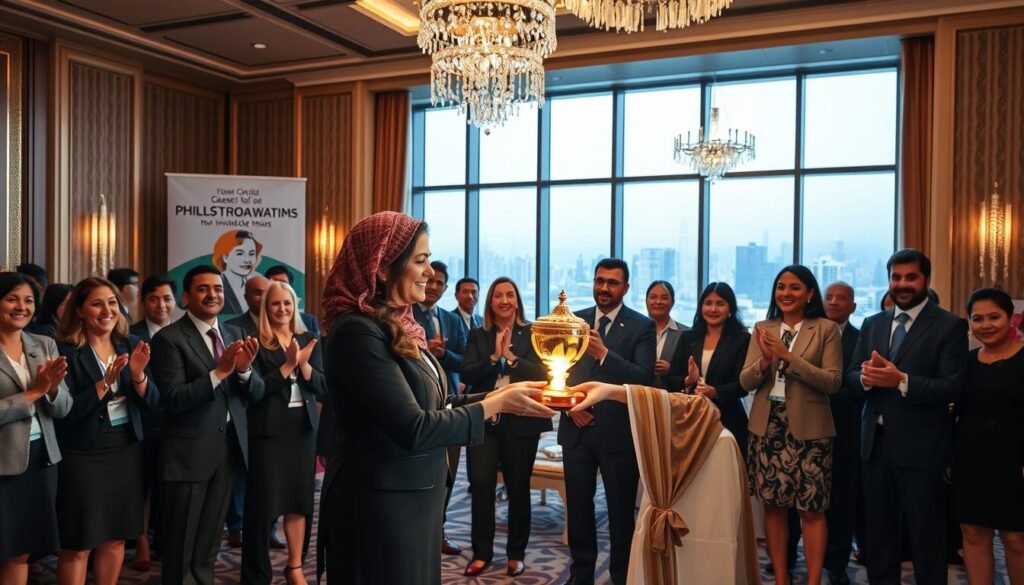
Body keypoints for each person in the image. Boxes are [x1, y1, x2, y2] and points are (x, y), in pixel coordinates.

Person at [317, 211, 554, 585]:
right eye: (420, 261)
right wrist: (496, 405)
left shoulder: (399, 325)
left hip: (413, 499)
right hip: (379, 506)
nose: (430, 273)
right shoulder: (356, 333)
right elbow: (412, 426)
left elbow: (437, 405)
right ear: (382, 268)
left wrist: (500, 394)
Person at [846, 248, 968, 585]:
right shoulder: (873, 323)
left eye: (910, 277)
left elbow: (952, 387)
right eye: (896, 277)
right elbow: (850, 376)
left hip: (922, 449)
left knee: (926, 537)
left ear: (926, 279)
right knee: (878, 535)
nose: (902, 284)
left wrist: (900, 380)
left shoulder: (949, 325)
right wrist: (865, 379)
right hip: (875, 447)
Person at [150, 265, 265, 585]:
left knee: (211, 537)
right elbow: (173, 398)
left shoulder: (234, 333)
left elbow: (256, 392)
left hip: (228, 448)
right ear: (186, 297)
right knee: (182, 539)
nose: (212, 294)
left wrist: (243, 371)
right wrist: (220, 372)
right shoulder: (169, 339)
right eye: (203, 289)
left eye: (218, 288)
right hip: (189, 452)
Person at [740, 265, 842, 585]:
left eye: (795, 287)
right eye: (781, 287)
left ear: (810, 293)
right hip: (768, 425)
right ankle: (782, 577)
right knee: (774, 507)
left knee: (811, 509)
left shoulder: (826, 329)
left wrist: (787, 357)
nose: (786, 293)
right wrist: (765, 361)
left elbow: (833, 382)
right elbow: (745, 381)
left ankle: (813, 580)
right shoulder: (762, 328)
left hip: (812, 430)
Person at [54, 277, 160, 585]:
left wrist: (138, 376)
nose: (107, 310)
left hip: (125, 450)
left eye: (112, 303)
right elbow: (66, 412)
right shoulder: (65, 350)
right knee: (79, 543)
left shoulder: (131, 344)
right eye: (97, 304)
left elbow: (153, 403)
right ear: (80, 310)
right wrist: (105, 383)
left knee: (115, 537)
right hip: (82, 453)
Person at [561, 258, 656, 585]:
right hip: (576, 428)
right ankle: (581, 574)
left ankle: (621, 575)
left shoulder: (642, 327)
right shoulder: (573, 321)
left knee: (619, 512)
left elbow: (643, 378)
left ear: (625, 288)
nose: (604, 288)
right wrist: (569, 407)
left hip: (617, 434)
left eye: (612, 283)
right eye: (599, 280)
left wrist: (603, 355)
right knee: (578, 509)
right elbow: (555, 369)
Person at [459, 277, 548, 577]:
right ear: (491, 301)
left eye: (510, 295)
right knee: (481, 484)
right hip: (485, 422)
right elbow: (467, 372)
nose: (505, 300)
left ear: (518, 300)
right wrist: (494, 357)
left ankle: (516, 553)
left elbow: (542, 374)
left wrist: (510, 359)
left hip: (521, 421)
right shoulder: (478, 334)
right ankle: (481, 553)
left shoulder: (532, 333)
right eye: (498, 295)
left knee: (518, 487)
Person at [242, 281, 325, 585]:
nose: (282, 309)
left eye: (287, 303)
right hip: (268, 434)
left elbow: (323, 386)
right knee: (263, 506)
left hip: (302, 432)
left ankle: (295, 566)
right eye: (275, 303)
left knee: (299, 502)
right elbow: (255, 390)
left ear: (295, 306)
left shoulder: (308, 338)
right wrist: (288, 366)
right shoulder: (256, 341)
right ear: (266, 307)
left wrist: (304, 367)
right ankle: (257, 574)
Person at [0, 272, 71, 585]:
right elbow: (33, 395)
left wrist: (51, 390)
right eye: (12, 299)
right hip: (3, 463)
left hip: (40, 459)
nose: (22, 307)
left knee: (21, 551)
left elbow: (64, 407)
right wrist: (33, 393)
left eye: (28, 300)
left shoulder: (44, 344)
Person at [954, 288, 1024, 585]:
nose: (986, 325)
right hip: (971, 458)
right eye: (977, 318)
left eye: (994, 317)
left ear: (1010, 318)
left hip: (1015, 460)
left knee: (1016, 538)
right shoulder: (966, 361)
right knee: (972, 532)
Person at [412, 259, 468, 555]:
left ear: (446, 288)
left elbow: (465, 362)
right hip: (419, 408)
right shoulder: (406, 314)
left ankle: (440, 530)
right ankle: (420, 531)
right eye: (430, 280)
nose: (434, 286)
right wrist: (425, 351)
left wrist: (443, 354)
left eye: (439, 283)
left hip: (451, 406)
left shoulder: (452, 319)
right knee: (421, 473)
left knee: (448, 473)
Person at [128, 275, 178, 571]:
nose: (161, 305)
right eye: (154, 298)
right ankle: (142, 540)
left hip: (174, 421)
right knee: (142, 485)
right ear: (143, 301)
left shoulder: (182, 333)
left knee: (168, 484)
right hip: (143, 420)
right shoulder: (132, 336)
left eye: (167, 298)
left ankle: (165, 538)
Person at [668, 282, 751, 459]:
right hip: (691, 418)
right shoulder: (687, 337)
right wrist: (688, 381)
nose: (713, 309)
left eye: (720, 304)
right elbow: (671, 378)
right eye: (708, 303)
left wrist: (715, 391)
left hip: (728, 419)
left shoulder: (742, 339)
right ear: (701, 307)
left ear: (730, 308)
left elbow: (743, 385)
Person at [223, 275, 272, 548]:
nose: (262, 298)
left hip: (273, 412)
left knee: (267, 475)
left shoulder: (282, 324)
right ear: (246, 297)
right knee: (239, 472)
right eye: (256, 293)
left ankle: (269, 527)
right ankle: (236, 525)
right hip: (241, 410)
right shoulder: (233, 328)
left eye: (266, 292)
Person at [821, 281, 862, 585]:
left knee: (840, 501)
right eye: (829, 297)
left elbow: (856, 386)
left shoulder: (860, 339)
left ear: (853, 306)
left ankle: (836, 563)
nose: (834, 302)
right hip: (804, 427)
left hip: (843, 428)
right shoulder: (809, 333)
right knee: (799, 500)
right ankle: (792, 554)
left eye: (841, 298)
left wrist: (817, 396)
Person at [645, 280, 686, 389]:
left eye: (664, 298)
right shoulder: (636, 329)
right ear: (646, 301)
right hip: (640, 393)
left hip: (672, 394)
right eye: (653, 297)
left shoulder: (685, 333)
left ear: (672, 302)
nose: (658, 302)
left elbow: (693, 372)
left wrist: (671, 370)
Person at [213, 230, 263, 315]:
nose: (247, 260)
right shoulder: (216, 284)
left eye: (251, 254)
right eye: (240, 254)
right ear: (225, 257)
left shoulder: (260, 282)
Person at [264, 265, 321, 337]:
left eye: (283, 283)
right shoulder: (255, 335)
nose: (279, 286)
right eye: (274, 283)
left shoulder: (309, 322)